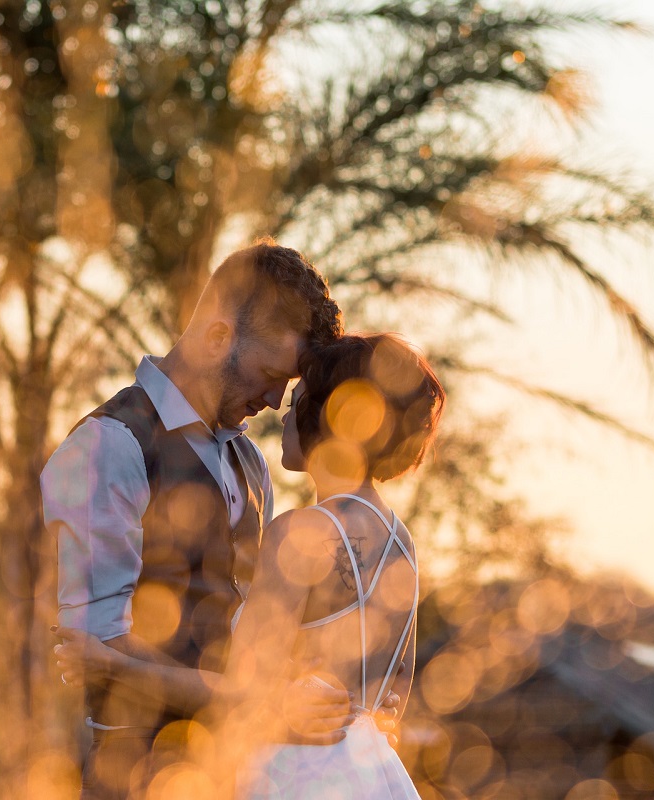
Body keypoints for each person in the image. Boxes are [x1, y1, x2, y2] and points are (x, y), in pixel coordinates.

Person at [41, 241, 400, 800]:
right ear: (217, 338)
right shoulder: (110, 445)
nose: (281, 401)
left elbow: (254, 638)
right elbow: (98, 654)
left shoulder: (252, 464)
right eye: (271, 374)